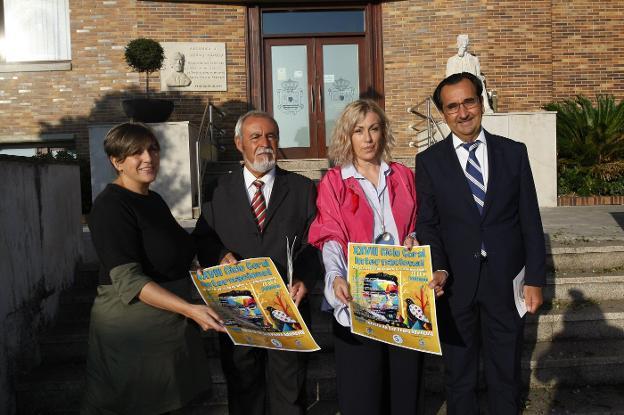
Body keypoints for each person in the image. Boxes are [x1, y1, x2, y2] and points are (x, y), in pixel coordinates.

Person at [415, 72, 546, 414]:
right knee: (459, 376)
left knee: (505, 373)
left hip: (506, 283)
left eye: (469, 102)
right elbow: (429, 225)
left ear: (481, 102)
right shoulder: (429, 162)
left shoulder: (513, 153)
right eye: (452, 106)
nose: (462, 113)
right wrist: (439, 268)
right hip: (455, 284)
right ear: (443, 113)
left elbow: (530, 220)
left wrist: (534, 277)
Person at [82, 123, 224, 414]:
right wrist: (190, 309)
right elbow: (129, 281)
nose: (148, 158)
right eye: (136, 152)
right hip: (135, 334)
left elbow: (176, 252)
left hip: (170, 328)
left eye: (153, 149)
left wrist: (220, 258)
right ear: (116, 161)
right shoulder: (110, 206)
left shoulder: (153, 199)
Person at [192, 110, 321, 415]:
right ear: (239, 143)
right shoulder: (218, 189)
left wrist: (304, 278)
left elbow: (314, 243)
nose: (265, 143)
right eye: (256, 137)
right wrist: (220, 254)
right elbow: (203, 237)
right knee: (243, 390)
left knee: (289, 395)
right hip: (237, 308)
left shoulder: (302, 189)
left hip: (287, 307)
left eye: (271, 136)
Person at [308, 99, 425, 415]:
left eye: (374, 129)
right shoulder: (334, 182)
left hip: (403, 296)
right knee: (362, 394)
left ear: (383, 132)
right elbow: (330, 237)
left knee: (404, 392)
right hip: (358, 297)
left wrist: (416, 238)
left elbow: (418, 223)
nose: (368, 138)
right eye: (359, 131)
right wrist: (335, 277)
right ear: (348, 136)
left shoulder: (403, 176)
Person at [446, 35, 493, 113]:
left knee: (480, 82)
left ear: (468, 44)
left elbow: (478, 74)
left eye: (465, 41)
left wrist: (480, 78)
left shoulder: (474, 59)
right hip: (457, 83)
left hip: (471, 82)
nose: (463, 43)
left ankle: (486, 107)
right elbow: (448, 78)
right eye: (461, 41)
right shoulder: (451, 60)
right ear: (458, 44)